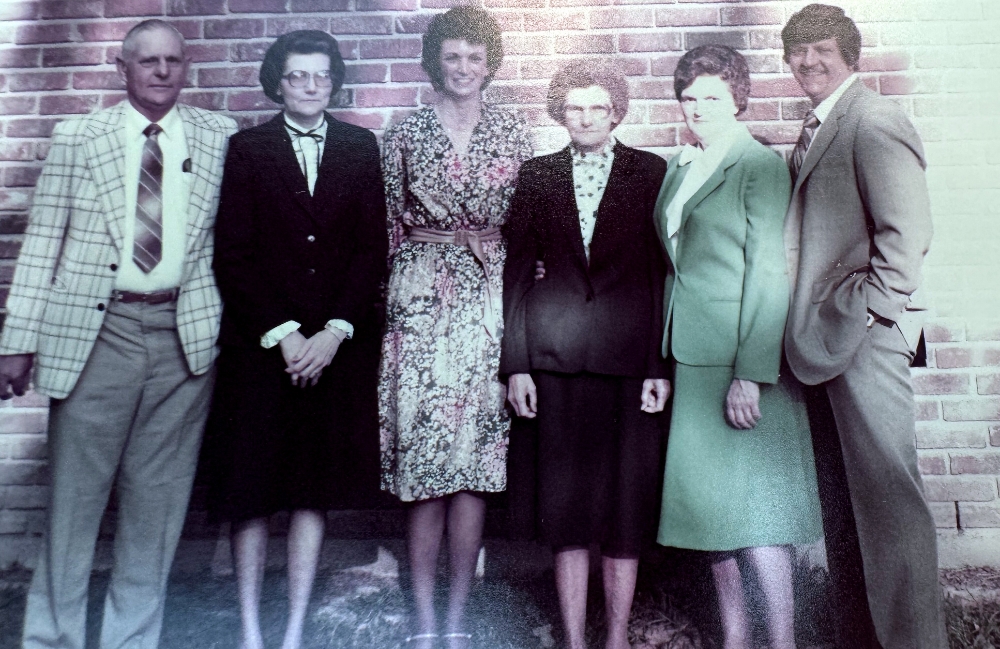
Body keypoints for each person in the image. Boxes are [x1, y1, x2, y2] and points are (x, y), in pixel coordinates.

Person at [0, 20, 236, 649]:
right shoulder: (80, 137)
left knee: (157, 506)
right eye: (147, 61)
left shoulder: (218, 136)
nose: (161, 71)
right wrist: (17, 340)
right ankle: (51, 639)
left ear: (186, 67)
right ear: (121, 67)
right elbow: (42, 240)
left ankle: (131, 641)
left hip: (183, 336)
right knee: (74, 503)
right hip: (96, 332)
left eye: (173, 61)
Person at [206, 30, 387, 649]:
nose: (310, 86)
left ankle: (291, 631)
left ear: (334, 82)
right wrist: (283, 334)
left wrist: (334, 332)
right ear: (277, 84)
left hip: (333, 350)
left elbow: (370, 250)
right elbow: (233, 253)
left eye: (321, 75)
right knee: (251, 490)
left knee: (313, 489)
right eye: (297, 76)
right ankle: (251, 631)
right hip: (264, 350)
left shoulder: (359, 147)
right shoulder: (249, 149)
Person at [780, 5, 946, 649]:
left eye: (822, 49)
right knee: (847, 502)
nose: (809, 62)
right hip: (825, 342)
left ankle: (913, 641)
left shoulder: (872, 120)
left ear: (850, 55)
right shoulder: (819, 124)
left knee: (888, 498)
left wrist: (871, 312)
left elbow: (907, 235)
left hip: (864, 339)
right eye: (798, 52)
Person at [651, 45, 822, 649]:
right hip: (691, 360)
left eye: (712, 97)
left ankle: (782, 642)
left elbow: (770, 273)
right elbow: (674, 267)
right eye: (689, 97)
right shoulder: (680, 167)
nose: (698, 108)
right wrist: (661, 358)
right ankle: (735, 639)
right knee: (710, 518)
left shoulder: (758, 165)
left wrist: (751, 373)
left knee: (758, 518)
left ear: (737, 100)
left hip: (740, 361)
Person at [377, 7, 533, 648]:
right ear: (434, 62)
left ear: (489, 63)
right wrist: (396, 315)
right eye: (452, 56)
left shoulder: (513, 131)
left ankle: (458, 621)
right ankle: (423, 623)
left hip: (490, 302)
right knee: (424, 462)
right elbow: (389, 226)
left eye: (474, 56)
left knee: (474, 461)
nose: (463, 67)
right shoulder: (404, 132)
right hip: (421, 304)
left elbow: (527, 230)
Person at [502, 60, 670, 649]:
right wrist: (517, 365)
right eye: (574, 107)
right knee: (566, 508)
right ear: (560, 113)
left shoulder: (649, 172)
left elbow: (658, 274)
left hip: (628, 363)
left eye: (598, 107)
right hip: (556, 361)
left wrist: (657, 367)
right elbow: (517, 273)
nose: (587, 118)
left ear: (617, 112)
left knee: (625, 507)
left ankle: (617, 636)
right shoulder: (538, 175)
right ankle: (574, 639)